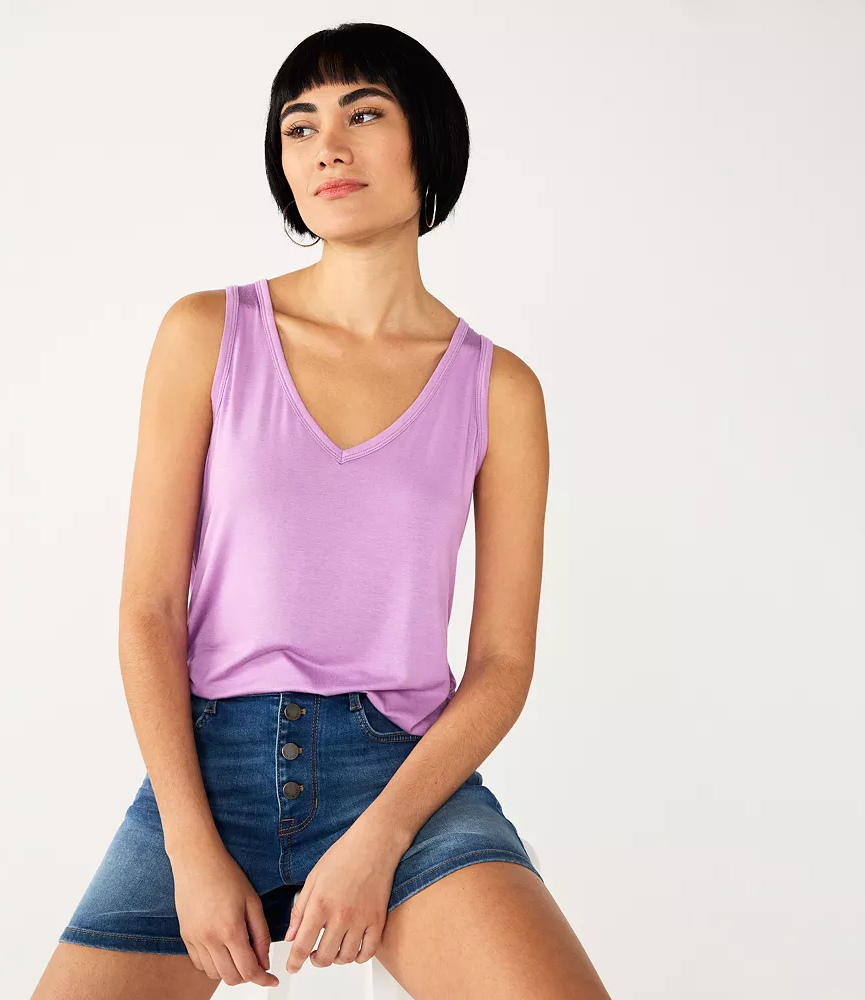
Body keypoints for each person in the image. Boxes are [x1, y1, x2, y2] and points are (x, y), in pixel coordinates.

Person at [32, 21, 611, 1000]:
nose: (327, 147)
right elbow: (149, 610)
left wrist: (382, 834)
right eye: (299, 127)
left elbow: (503, 663)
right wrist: (189, 847)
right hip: (206, 770)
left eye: (363, 115)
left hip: (401, 776)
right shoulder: (206, 333)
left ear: (427, 141)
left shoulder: (499, 390)